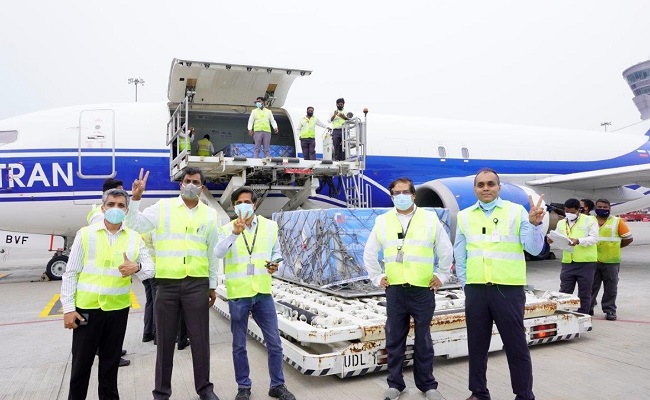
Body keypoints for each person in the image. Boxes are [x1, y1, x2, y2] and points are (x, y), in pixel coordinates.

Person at [126, 167, 221, 400]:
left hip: (196, 284)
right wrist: (136, 198)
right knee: (165, 343)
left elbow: (211, 253)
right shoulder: (163, 208)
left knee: (200, 341)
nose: (190, 184)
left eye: (195, 181)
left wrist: (211, 284)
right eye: (187, 180)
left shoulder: (209, 215)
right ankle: (161, 392)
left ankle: (205, 389)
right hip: (166, 285)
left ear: (202, 187)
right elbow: (134, 225)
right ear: (181, 184)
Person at [453, 168, 546, 400]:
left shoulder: (516, 212)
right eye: (481, 184)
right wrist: (467, 284)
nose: (486, 188)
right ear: (475, 188)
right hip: (476, 290)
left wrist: (535, 226)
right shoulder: (464, 216)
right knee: (476, 347)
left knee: (516, 347)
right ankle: (478, 393)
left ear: (499, 187)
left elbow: (533, 249)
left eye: (491, 184)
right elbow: (460, 254)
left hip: (508, 290)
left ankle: (524, 395)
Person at [363, 177, 452, 400]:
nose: (401, 196)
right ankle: (395, 384)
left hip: (422, 289)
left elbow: (445, 249)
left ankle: (427, 385)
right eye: (396, 193)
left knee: (423, 340)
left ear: (413, 195)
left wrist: (442, 275)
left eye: (405, 192)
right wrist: (377, 277)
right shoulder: (383, 221)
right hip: (395, 290)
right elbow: (369, 252)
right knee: (394, 340)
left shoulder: (430, 219)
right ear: (392, 196)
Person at [61, 188, 154, 400]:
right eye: (111, 204)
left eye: (121, 205)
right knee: (80, 367)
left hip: (117, 311)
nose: (115, 209)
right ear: (103, 208)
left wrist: (136, 267)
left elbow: (151, 269)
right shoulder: (85, 234)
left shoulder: (134, 238)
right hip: (87, 311)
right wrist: (68, 308)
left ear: (127, 210)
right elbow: (71, 273)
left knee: (110, 367)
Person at [215, 187, 296, 400]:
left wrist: (275, 263)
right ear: (234, 206)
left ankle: (277, 385)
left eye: (248, 201)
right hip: (239, 294)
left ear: (255, 204)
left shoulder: (270, 226)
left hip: (262, 291)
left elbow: (276, 252)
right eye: (240, 202)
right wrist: (234, 233)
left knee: (275, 342)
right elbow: (218, 253)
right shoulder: (226, 229)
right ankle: (244, 387)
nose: (244, 205)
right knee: (239, 345)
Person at [86, 177, 132, 367]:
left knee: (112, 327)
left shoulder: (99, 211)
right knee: (104, 325)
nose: (122, 198)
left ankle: (112, 349)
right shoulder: (100, 216)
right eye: (118, 194)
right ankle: (108, 353)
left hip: (115, 281)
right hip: (104, 283)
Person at [548, 198, 598, 314]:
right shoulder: (561, 223)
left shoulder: (589, 220)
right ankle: (564, 315)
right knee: (564, 292)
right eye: (567, 211)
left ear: (578, 210)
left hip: (586, 263)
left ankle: (583, 315)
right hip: (568, 263)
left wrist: (578, 241)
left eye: (571, 212)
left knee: (584, 293)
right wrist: (552, 240)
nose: (569, 214)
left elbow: (594, 238)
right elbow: (560, 240)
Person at [590, 199, 633, 320]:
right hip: (592, 259)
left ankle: (610, 310)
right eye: (599, 207)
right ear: (595, 207)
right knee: (591, 286)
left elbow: (628, 238)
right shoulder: (590, 220)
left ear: (610, 208)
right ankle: (588, 308)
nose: (602, 209)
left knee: (611, 288)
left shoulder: (617, 221)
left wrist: (615, 247)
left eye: (605, 207)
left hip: (611, 261)